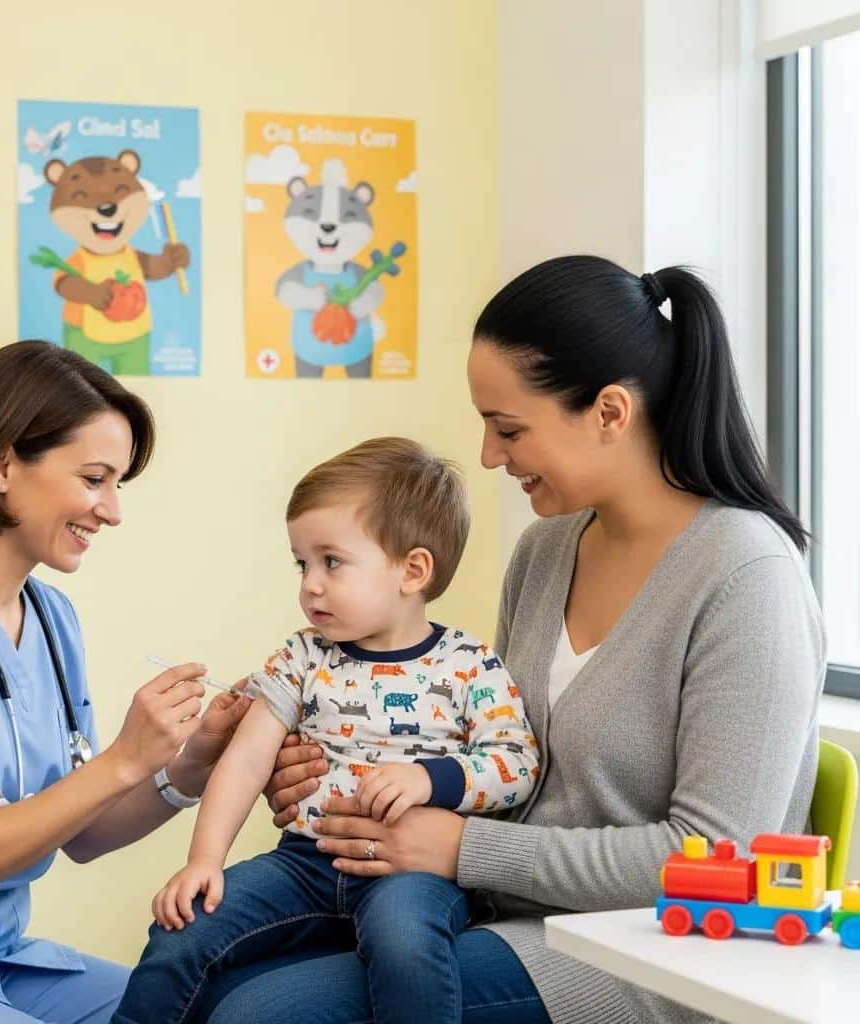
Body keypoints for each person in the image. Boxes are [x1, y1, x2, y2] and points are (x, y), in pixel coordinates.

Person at [188, 257, 826, 1024]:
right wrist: (344, 777)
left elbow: (719, 858)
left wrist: (463, 850)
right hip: (496, 912)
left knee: (258, 1015)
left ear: (610, 413)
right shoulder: (547, 550)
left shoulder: (746, 574)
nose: (489, 457)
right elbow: (485, 749)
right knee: (207, 975)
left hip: (647, 953)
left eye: (509, 428)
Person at [0, 341, 252, 1024]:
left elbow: (79, 833)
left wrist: (187, 766)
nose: (113, 511)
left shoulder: (50, 619)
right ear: (2, 463)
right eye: (95, 479)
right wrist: (122, 759)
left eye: (118, 485)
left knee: (211, 1009)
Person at [112, 436, 539, 1024]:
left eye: (331, 561)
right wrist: (204, 860)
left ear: (412, 570)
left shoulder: (470, 665)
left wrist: (429, 780)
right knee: (182, 929)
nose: (310, 584)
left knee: (407, 949)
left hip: (409, 872)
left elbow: (516, 765)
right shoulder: (301, 657)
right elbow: (245, 759)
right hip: (304, 863)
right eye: (302, 563)